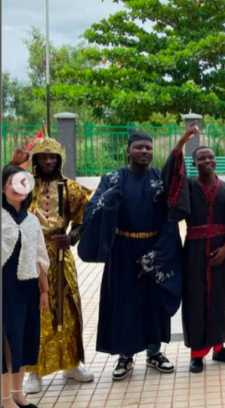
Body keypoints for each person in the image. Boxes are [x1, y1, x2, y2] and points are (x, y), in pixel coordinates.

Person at [78, 130, 183, 381]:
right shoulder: (113, 179)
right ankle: (125, 355)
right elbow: (91, 210)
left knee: (154, 304)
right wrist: (108, 200)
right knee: (124, 304)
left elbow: (170, 217)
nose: (144, 151)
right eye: (139, 147)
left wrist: (155, 257)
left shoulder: (159, 179)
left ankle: (154, 352)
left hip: (154, 249)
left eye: (148, 148)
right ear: (128, 150)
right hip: (122, 251)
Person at [8, 139, 94, 393]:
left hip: (60, 255)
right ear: (35, 160)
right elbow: (4, 195)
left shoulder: (70, 188)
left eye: (52, 157)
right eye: (43, 157)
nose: (48, 161)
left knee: (69, 308)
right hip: (29, 255)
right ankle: (33, 371)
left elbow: (83, 218)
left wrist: (72, 237)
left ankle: (72, 364)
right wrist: (13, 164)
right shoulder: (25, 184)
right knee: (35, 310)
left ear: (59, 160)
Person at [164, 126, 225, 373]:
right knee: (195, 300)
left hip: (221, 252)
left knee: (219, 299)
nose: (207, 161)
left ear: (215, 161)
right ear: (194, 163)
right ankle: (197, 353)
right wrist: (181, 141)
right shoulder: (187, 187)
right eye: (201, 158)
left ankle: (219, 348)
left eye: (210, 157)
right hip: (194, 252)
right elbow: (171, 178)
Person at [2, 165, 50, 408]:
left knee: (22, 339)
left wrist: (45, 290)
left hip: (28, 288)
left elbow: (40, 257)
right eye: (11, 182)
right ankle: (4, 399)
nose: (17, 187)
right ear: (2, 188)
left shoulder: (32, 220)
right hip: (5, 288)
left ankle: (17, 394)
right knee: (5, 342)